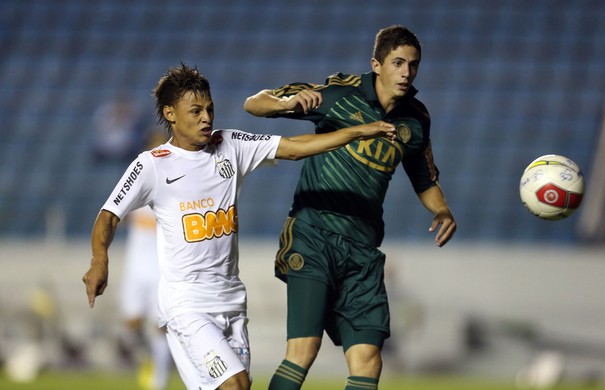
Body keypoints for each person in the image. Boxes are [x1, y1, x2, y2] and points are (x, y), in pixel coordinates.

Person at [82, 62, 395, 390]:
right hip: (187, 304)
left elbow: (295, 148)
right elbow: (108, 215)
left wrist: (358, 132)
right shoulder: (152, 165)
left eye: (209, 108)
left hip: (231, 301)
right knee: (236, 384)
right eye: (195, 111)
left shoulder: (230, 145)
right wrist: (99, 259)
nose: (207, 117)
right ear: (170, 114)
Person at [243, 25, 457, 389]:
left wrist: (442, 210)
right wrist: (286, 103)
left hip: (362, 249)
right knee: (303, 349)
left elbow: (424, 180)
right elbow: (254, 103)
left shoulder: (416, 120)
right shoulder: (338, 95)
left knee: (369, 361)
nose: (406, 72)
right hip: (314, 235)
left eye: (413, 65)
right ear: (377, 64)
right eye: (398, 63)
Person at [117, 130, 172, 390]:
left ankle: (158, 380)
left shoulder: (174, 182)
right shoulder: (136, 177)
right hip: (136, 265)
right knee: (132, 323)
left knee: (160, 325)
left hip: (161, 266)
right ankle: (146, 358)